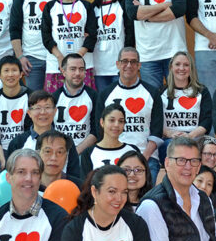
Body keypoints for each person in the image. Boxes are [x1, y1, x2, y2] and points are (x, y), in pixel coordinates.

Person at [125, 0, 188, 89]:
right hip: (148, 57)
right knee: (153, 102)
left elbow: (179, 9)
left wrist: (145, 14)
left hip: (175, 53)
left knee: (179, 97)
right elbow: (132, 13)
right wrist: (166, 5)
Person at [95, 47, 163, 176]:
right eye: (124, 61)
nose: (129, 65)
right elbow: (100, 130)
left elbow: (157, 131)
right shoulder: (105, 94)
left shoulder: (152, 93)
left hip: (146, 156)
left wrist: (143, 158)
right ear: (118, 64)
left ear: (139, 65)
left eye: (133, 62)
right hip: (113, 155)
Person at [40, 0, 97, 92]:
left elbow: (92, 34)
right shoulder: (50, 7)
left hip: (82, 66)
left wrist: (78, 56)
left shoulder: (86, 6)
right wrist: (60, 57)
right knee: (55, 105)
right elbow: (46, 36)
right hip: (57, 66)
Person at [10, 0, 59, 91]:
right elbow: (14, 29)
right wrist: (20, 56)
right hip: (32, 59)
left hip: (55, 56)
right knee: (35, 100)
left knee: (56, 99)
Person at [92, 0, 132, 93]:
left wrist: (126, 60)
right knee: (103, 105)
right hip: (98, 66)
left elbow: (130, 33)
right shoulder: (92, 7)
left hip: (119, 66)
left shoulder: (124, 3)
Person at [161, 50, 213, 147]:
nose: (182, 68)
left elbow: (207, 121)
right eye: (177, 64)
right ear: (171, 67)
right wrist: (170, 134)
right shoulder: (161, 92)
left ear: (191, 68)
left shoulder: (202, 91)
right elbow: (156, 120)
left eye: (186, 65)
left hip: (195, 138)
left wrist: (190, 135)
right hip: (170, 139)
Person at [0, 55, 29, 157]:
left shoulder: (31, 97)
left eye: (14, 70)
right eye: (6, 71)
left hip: (25, 149)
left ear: (21, 74)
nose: (10, 74)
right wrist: (3, 160)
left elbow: (30, 130)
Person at [52, 53, 98, 150]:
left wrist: (76, 152)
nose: (77, 73)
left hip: (84, 150)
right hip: (59, 150)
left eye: (81, 69)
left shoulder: (93, 96)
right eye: (73, 69)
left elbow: (96, 131)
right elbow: (49, 129)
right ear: (63, 72)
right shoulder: (54, 98)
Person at [80, 104, 140, 173]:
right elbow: (86, 182)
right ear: (102, 122)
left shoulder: (132, 150)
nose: (116, 125)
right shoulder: (88, 153)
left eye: (121, 121)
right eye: (112, 120)